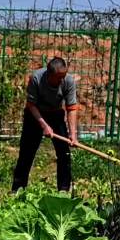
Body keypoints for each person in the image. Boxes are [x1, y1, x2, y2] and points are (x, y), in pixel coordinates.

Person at [12, 57, 78, 192]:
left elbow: (71, 108)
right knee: (26, 153)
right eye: (58, 78)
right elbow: (31, 105)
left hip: (56, 114)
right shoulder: (36, 78)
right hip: (35, 115)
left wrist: (73, 134)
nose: (61, 80)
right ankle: (17, 190)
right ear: (49, 74)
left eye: (63, 77)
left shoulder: (68, 81)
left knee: (64, 153)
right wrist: (44, 126)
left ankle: (64, 190)